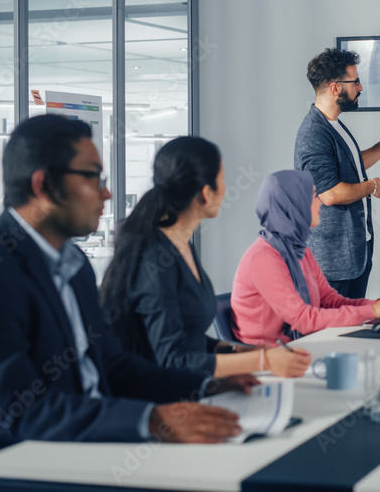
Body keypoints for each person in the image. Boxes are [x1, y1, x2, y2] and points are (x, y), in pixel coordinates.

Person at [0, 116, 255, 461]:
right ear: (45, 186)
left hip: (80, 434)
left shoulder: (73, 262)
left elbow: (114, 366)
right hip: (3, 456)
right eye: (94, 177)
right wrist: (152, 420)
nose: (107, 193)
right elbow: (24, 411)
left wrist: (205, 386)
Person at [100, 137, 311, 378]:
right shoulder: (156, 258)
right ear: (206, 193)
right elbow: (173, 359)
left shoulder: (181, 244)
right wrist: (262, 361)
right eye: (222, 179)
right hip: (160, 400)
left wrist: (247, 352)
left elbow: (191, 340)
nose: (226, 188)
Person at [294, 48, 380, 298]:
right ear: (335, 88)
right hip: (333, 263)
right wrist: (372, 186)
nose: (360, 87)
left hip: (355, 255)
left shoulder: (334, 125)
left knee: (352, 325)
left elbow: (354, 163)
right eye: (355, 81)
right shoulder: (314, 134)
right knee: (333, 332)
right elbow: (329, 193)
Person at [231, 170, 380, 345]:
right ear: (295, 204)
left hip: (297, 347)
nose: (322, 202)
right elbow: (303, 319)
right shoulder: (263, 258)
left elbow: (331, 301)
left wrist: (377, 305)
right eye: (315, 196)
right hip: (267, 360)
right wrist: (373, 311)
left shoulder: (299, 250)